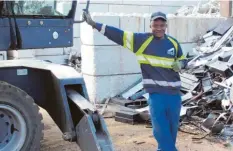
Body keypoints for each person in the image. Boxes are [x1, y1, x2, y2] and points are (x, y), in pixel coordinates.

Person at [83, 10, 187, 151]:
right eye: (155, 25)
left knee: (171, 130)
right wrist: (94, 24)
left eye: (162, 25)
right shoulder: (141, 41)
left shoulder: (173, 43)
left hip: (174, 96)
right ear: (150, 25)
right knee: (161, 131)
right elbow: (118, 34)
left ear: (166, 25)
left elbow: (182, 59)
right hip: (157, 95)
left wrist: (181, 64)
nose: (159, 28)